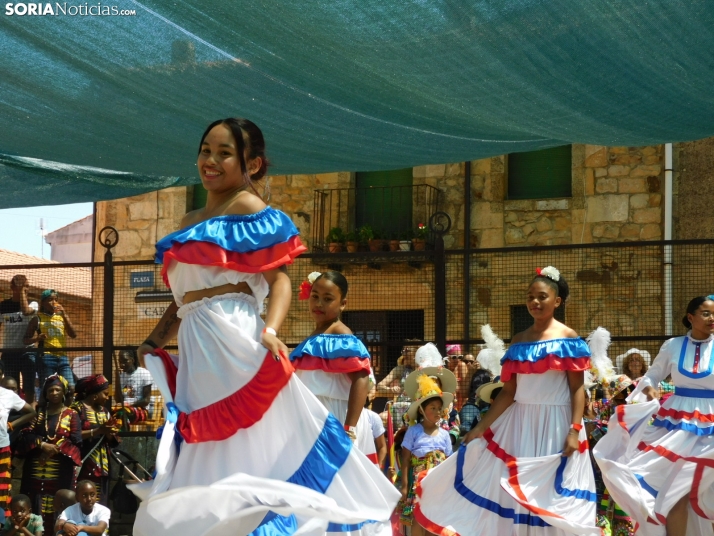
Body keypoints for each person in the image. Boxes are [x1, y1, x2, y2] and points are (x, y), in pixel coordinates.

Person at [132, 118, 399, 535]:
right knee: (209, 442)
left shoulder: (250, 209)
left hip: (234, 336)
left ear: (251, 164)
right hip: (197, 341)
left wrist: (271, 330)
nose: (211, 160)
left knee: (250, 444)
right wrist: (152, 341)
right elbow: (182, 300)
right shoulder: (188, 220)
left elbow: (280, 281)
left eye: (224, 153)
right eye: (206, 150)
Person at [415, 266, 598, 535]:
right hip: (520, 425)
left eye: (542, 296)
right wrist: (480, 427)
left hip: (557, 425)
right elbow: (509, 393)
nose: (535, 302)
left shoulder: (569, 338)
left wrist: (574, 430)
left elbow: (576, 391)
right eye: (530, 296)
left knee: (553, 497)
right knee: (513, 493)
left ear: (557, 301)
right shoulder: (519, 341)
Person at [594, 295, 714, 536]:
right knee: (675, 493)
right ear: (690, 317)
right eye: (706, 313)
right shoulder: (672, 345)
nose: (712, 318)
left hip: (710, 421)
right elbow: (652, 375)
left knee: (709, 493)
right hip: (676, 424)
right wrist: (648, 387)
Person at [289, 270, 378, 463]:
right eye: (315, 296)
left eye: (327, 299)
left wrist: (349, 429)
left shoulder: (340, 333)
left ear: (343, 304)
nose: (319, 304)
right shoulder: (316, 335)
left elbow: (361, 377)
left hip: (336, 417)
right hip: (316, 415)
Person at [19, 375, 81, 536]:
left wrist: (57, 447)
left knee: (58, 508)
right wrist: (42, 444)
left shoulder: (72, 414)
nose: (54, 393)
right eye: (50, 390)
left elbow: (77, 441)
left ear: (64, 393)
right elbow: (26, 435)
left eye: (57, 390)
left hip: (60, 474)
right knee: (35, 506)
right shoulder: (39, 413)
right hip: (35, 473)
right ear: (45, 393)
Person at [397, 373, 453, 535]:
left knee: (435, 518)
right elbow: (406, 459)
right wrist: (405, 486)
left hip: (439, 484)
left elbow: (449, 462)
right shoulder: (414, 432)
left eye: (439, 409)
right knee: (417, 517)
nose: (437, 412)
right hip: (418, 483)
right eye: (432, 408)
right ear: (421, 411)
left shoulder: (444, 435)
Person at [71, 375, 118, 506]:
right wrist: (98, 431)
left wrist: (109, 433)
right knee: (83, 501)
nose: (107, 398)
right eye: (105, 394)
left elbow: (113, 440)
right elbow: (72, 435)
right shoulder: (77, 409)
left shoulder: (105, 411)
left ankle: (100, 527)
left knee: (101, 503)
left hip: (102, 467)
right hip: (83, 464)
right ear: (95, 395)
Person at [23, 291, 76, 395]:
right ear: (43, 303)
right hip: (46, 358)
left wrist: (64, 314)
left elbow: (73, 335)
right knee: (48, 389)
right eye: (50, 299)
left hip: (63, 358)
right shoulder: (37, 318)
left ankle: (67, 411)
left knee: (71, 388)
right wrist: (37, 339)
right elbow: (25, 339)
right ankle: (45, 410)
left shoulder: (61, 317)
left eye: (56, 299)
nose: (54, 302)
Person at [0, 375, 35, 519]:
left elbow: (32, 412)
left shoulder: (8, 395)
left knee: (2, 489)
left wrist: (13, 424)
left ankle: (3, 525)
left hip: (2, 448)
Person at [1, 275, 36, 404]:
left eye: (27, 286)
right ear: (12, 288)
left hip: (27, 351)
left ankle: (30, 417)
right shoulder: (3, 306)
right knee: (11, 387)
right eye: (22, 287)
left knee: (29, 386)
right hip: (9, 353)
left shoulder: (33, 303)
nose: (25, 289)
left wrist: (21, 292)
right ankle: (14, 416)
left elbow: (26, 311)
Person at [374, 341, 419, 429]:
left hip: (417, 407)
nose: (403, 353)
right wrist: (390, 389)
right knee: (378, 418)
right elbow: (379, 386)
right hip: (399, 407)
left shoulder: (424, 370)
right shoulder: (400, 369)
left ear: (416, 353)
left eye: (407, 350)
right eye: (403, 351)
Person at [113, 349, 153, 414]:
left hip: (141, 409)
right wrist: (117, 378)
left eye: (125, 361)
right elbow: (118, 400)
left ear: (132, 360)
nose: (122, 364)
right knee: (109, 414)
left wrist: (130, 405)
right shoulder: (121, 376)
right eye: (120, 362)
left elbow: (146, 400)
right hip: (124, 408)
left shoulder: (144, 373)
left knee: (122, 414)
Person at [445, 344, 469, 409]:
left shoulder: (461, 366)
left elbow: (465, 392)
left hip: (460, 405)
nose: (457, 360)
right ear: (447, 357)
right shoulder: (443, 369)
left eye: (460, 357)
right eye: (454, 357)